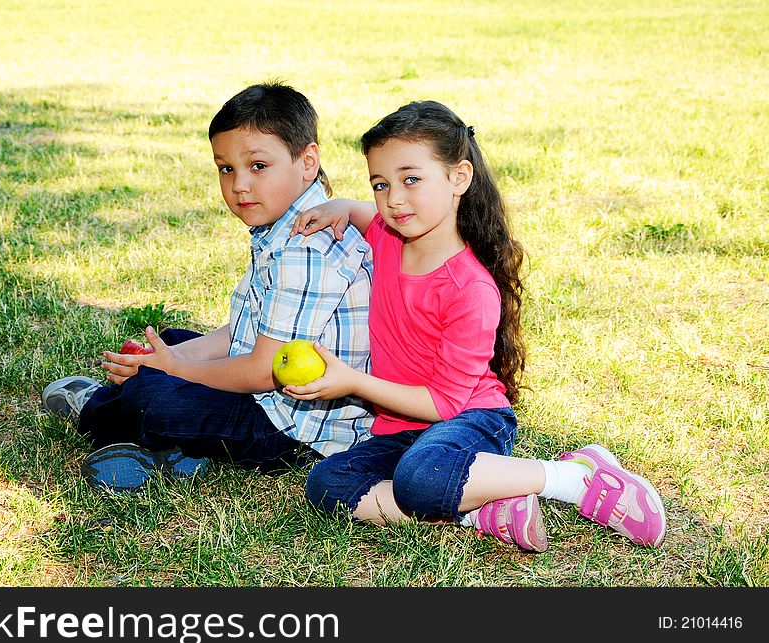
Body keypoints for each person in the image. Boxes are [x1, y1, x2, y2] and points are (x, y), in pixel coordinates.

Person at [287, 100, 666, 551]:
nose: (394, 199)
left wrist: (353, 382)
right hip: (401, 428)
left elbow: (444, 404)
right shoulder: (388, 235)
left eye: (411, 179)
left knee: (421, 477)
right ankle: (482, 510)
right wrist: (343, 206)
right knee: (328, 483)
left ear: (458, 178)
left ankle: (574, 478)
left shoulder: (469, 288)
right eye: (380, 184)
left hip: (471, 419)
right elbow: (367, 215)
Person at [41, 82, 374, 492]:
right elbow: (245, 334)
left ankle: (100, 412)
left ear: (307, 161)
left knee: (151, 398)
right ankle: (171, 446)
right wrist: (168, 357)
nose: (239, 185)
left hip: (289, 429)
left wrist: (175, 370)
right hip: (271, 393)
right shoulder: (285, 227)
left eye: (257, 166)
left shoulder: (305, 247)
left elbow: (263, 371)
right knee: (170, 341)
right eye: (226, 168)